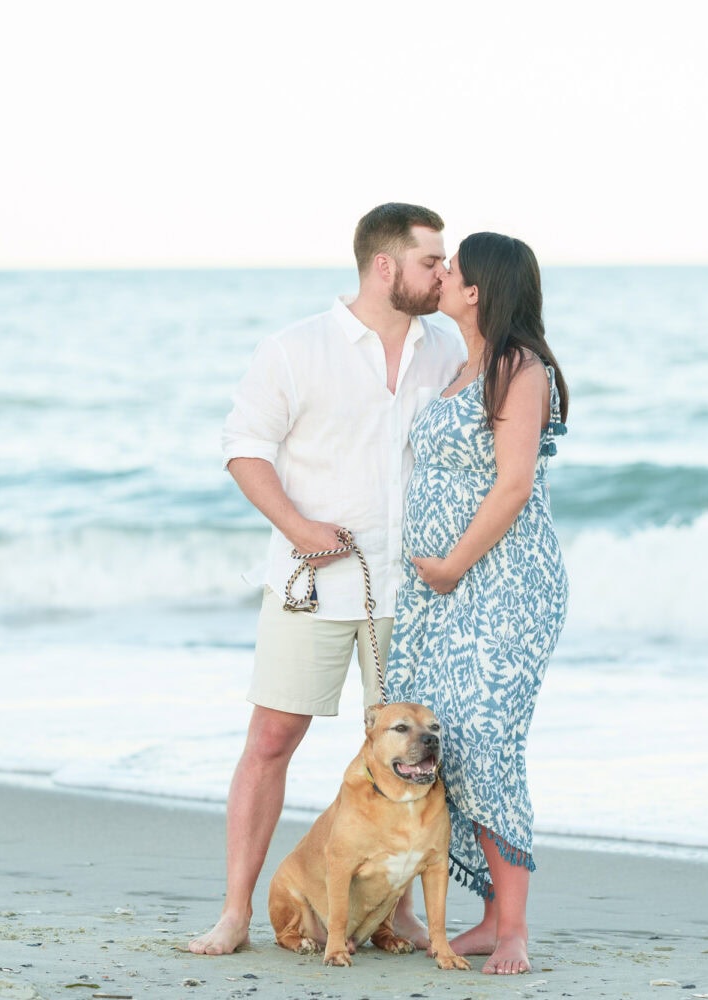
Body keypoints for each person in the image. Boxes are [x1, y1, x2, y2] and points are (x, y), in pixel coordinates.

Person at [188, 204, 466, 955]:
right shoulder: (296, 348)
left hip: (406, 593)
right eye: (431, 261)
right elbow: (244, 446)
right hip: (310, 582)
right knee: (273, 738)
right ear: (386, 267)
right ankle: (237, 912)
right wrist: (301, 528)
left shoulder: (443, 349)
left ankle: (399, 914)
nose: (443, 272)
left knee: (409, 755)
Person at [385, 232, 569, 976]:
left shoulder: (518, 368)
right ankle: (488, 916)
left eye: (453, 267)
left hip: (506, 582)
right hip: (439, 594)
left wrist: (453, 565)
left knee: (489, 739)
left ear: (478, 291)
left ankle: (514, 927)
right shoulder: (461, 367)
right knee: (448, 743)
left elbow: (514, 484)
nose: (443, 274)